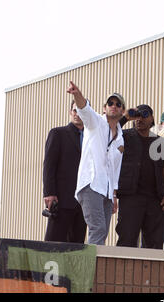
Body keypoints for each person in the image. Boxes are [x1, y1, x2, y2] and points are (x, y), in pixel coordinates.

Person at [67, 81, 125, 246]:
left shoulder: (120, 137)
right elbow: (84, 110)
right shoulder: (96, 122)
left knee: (103, 231)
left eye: (118, 104)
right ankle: (90, 269)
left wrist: (114, 195)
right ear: (104, 108)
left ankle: (93, 266)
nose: (114, 106)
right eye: (110, 103)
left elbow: (115, 169)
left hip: (106, 191)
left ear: (122, 110)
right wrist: (77, 94)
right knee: (97, 229)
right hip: (91, 185)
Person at [115, 105, 164, 249]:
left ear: (152, 118)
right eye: (137, 116)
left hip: (155, 199)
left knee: (154, 244)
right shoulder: (124, 136)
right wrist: (126, 117)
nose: (139, 119)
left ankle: (152, 272)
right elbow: (108, 132)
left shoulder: (159, 142)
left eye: (144, 115)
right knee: (127, 240)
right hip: (130, 197)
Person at [43, 100, 87, 243]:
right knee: (53, 245)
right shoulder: (58, 133)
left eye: (81, 111)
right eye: (74, 111)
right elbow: (49, 165)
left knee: (77, 247)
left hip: (83, 202)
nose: (77, 114)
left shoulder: (92, 138)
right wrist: (49, 193)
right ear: (70, 112)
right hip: (61, 199)